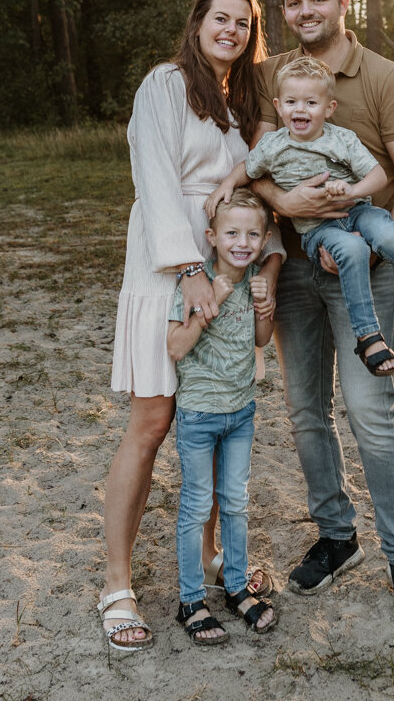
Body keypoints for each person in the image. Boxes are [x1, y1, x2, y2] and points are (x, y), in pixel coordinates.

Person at [251, 0, 394, 628]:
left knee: (372, 414)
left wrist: (362, 257)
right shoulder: (273, 79)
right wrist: (284, 201)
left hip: (361, 267)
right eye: (294, 3)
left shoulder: (383, 78)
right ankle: (337, 535)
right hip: (291, 270)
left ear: (343, 2)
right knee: (305, 412)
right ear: (284, 12)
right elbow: (258, 170)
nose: (306, 12)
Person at [98, 0, 281, 652]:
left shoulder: (238, 106)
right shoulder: (165, 84)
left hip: (222, 280)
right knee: (151, 421)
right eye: (219, 18)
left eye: (242, 23)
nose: (230, 30)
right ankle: (117, 584)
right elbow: (153, 177)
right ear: (197, 23)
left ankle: (209, 563)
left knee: (209, 409)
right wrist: (190, 270)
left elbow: (253, 198)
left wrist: (254, 270)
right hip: (168, 272)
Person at [207, 57, 394, 376]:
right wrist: (226, 183)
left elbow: (377, 176)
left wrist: (350, 191)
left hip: (358, 210)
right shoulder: (272, 145)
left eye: (310, 102)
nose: (300, 110)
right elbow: (248, 169)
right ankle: (368, 336)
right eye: (291, 102)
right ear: (279, 106)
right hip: (318, 230)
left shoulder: (341, 139)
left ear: (329, 107)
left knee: (389, 235)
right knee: (352, 249)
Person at [167, 190, 277, 646]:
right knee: (196, 506)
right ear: (212, 237)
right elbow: (175, 347)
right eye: (232, 233)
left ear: (265, 238)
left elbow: (262, 338)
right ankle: (191, 599)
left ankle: (234, 587)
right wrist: (210, 300)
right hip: (199, 415)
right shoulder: (195, 285)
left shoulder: (255, 279)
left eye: (253, 234)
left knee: (235, 501)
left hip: (241, 413)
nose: (242, 242)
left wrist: (265, 307)